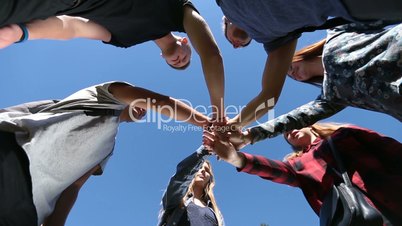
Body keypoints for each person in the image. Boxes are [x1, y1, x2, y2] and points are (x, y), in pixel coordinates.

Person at [0, 81, 210, 226]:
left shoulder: (106, 149)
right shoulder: (104, 95)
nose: (143, 110)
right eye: (139, 103)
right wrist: (209, 124)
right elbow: (160, 101)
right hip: (12, 156)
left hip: (27, 210)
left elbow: (72, 188)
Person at [0, 0, 225, 119]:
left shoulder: (125, 39)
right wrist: (219, 113)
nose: (180, 62)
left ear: (161, 59)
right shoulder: (178, 8)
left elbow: (74, 27)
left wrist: (21, 33)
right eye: (186, 59)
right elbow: (211, 54)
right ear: (187, 43)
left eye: (177, 65)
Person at [216, 0, 402, 130]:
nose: (235, 44)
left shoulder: (226, 3)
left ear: (226, 21)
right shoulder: (276, 40)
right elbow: (269, 96)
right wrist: (233, 125)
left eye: (228, 36)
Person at [203, 122, 402, 225]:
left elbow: (390, 149)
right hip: (360, 220)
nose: (290, 133)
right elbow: (275, 170)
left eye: (293, 128)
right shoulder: (298, 164)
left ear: (310, 124)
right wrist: (235, 158)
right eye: (287, 134)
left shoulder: (344, 133)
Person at [158, 146, 224, 226]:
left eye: (207, 170)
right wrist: (205, 150)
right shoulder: (177, 200)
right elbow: (181, 177)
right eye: (199, 168)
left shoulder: (215, 213)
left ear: (209, 179)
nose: (203, 170)